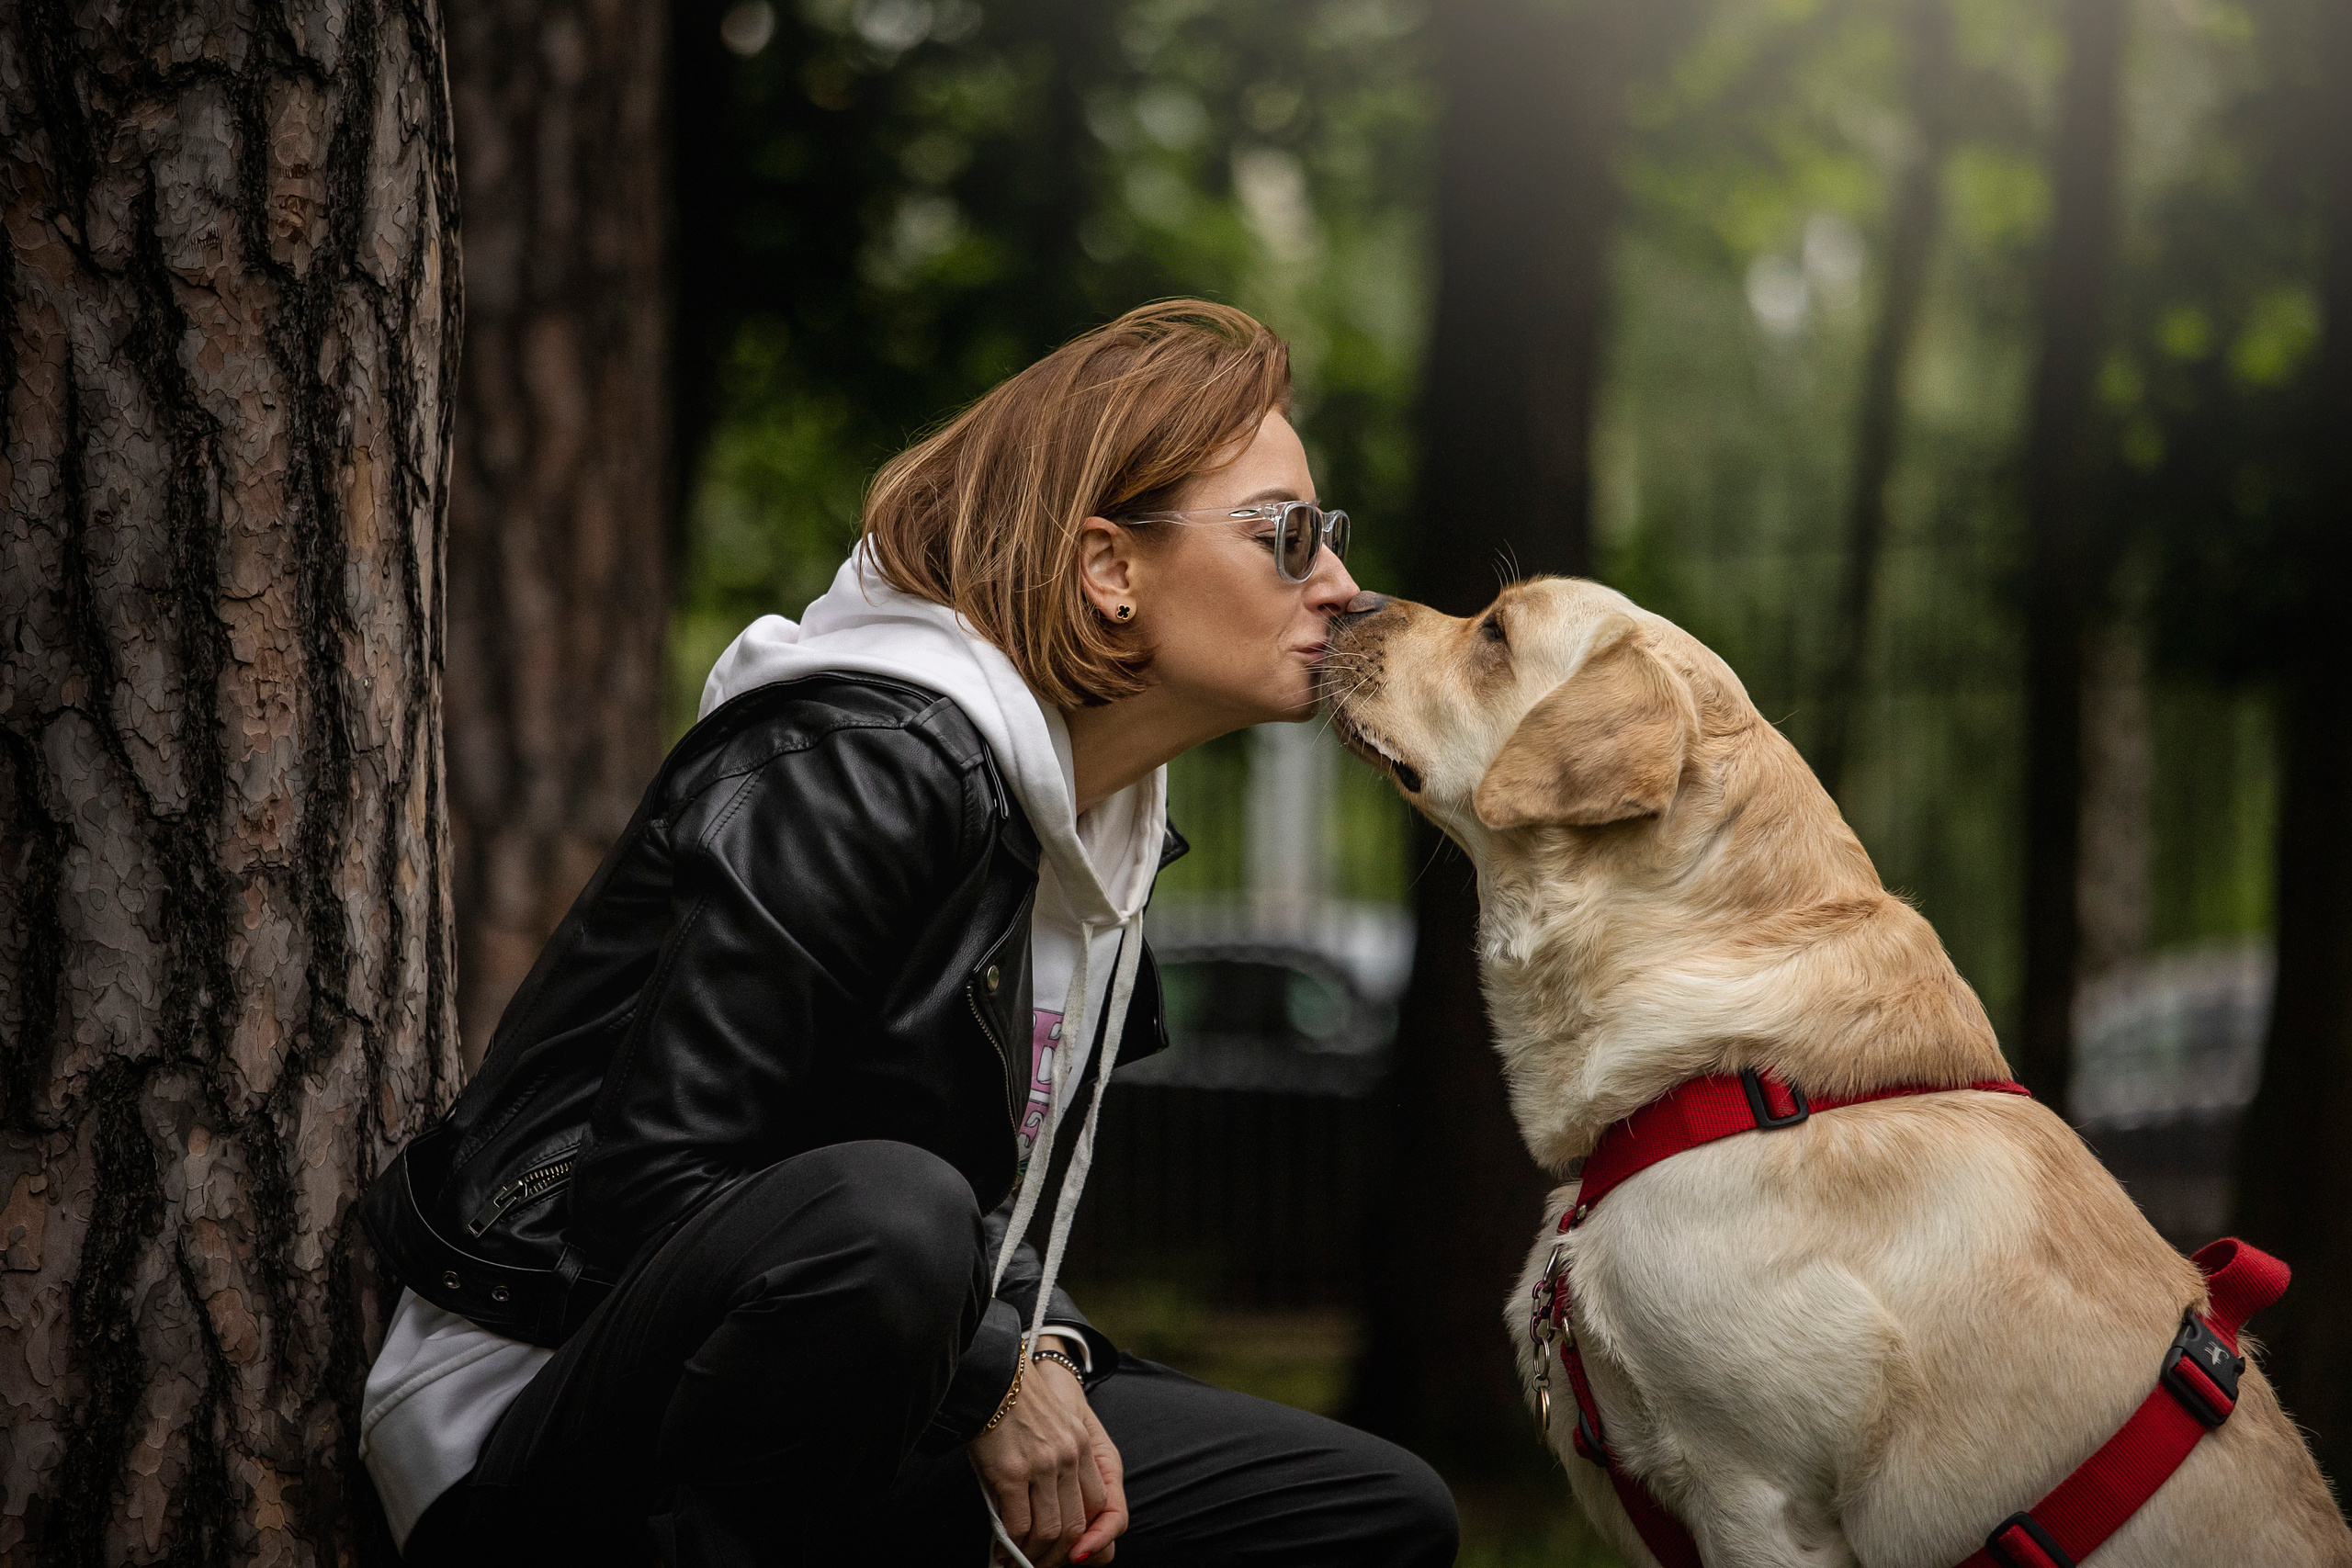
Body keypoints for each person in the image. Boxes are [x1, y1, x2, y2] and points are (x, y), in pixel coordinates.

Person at [357, 300, 1458, 1567]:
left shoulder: (1096, 837)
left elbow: (987, 1206)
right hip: (550, 1428)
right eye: (1287, 536)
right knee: (896, 1215)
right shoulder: (856, 763)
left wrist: (1040, 1350)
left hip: (864, 1392)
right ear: (1107, 569)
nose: (1340, 587)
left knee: (1369, 1515)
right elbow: (653, 1195)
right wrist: (991, 1375)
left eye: (1332, 538)